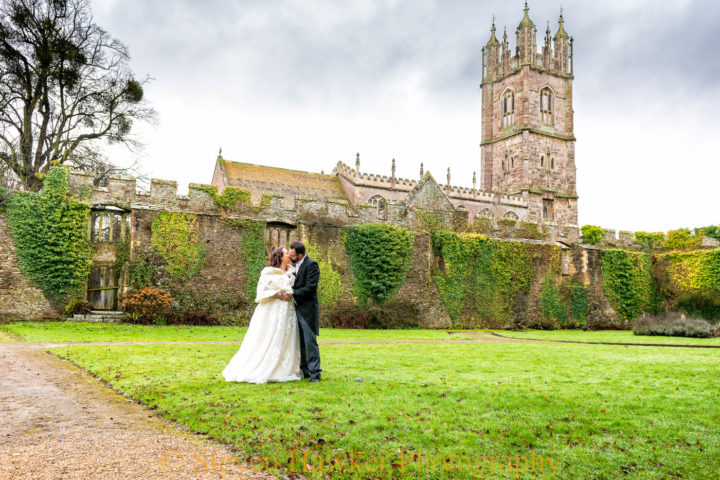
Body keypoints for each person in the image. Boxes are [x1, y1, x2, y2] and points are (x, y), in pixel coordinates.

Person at [222, 247, 302, 384]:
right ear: (280, 257)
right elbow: (261, 290)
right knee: (268, 336)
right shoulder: (268, 272)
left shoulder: (291, 272)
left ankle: (282, 368)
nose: (289, 255)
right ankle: (262, 366)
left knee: (285, 337)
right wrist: (279, 294)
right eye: (286, 253)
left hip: (287, 311)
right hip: (272, 309)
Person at [288, 241, 322, 382]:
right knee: (300, 342)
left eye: (293, 255)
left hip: (307, 310)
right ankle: (305, 370)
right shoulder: (292, 266)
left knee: (309, 342)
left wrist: (291, 293)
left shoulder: (312, 265)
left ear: (300, 255)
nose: (290, 257)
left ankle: (315, 374)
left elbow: (310, 288)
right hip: (295, 309)